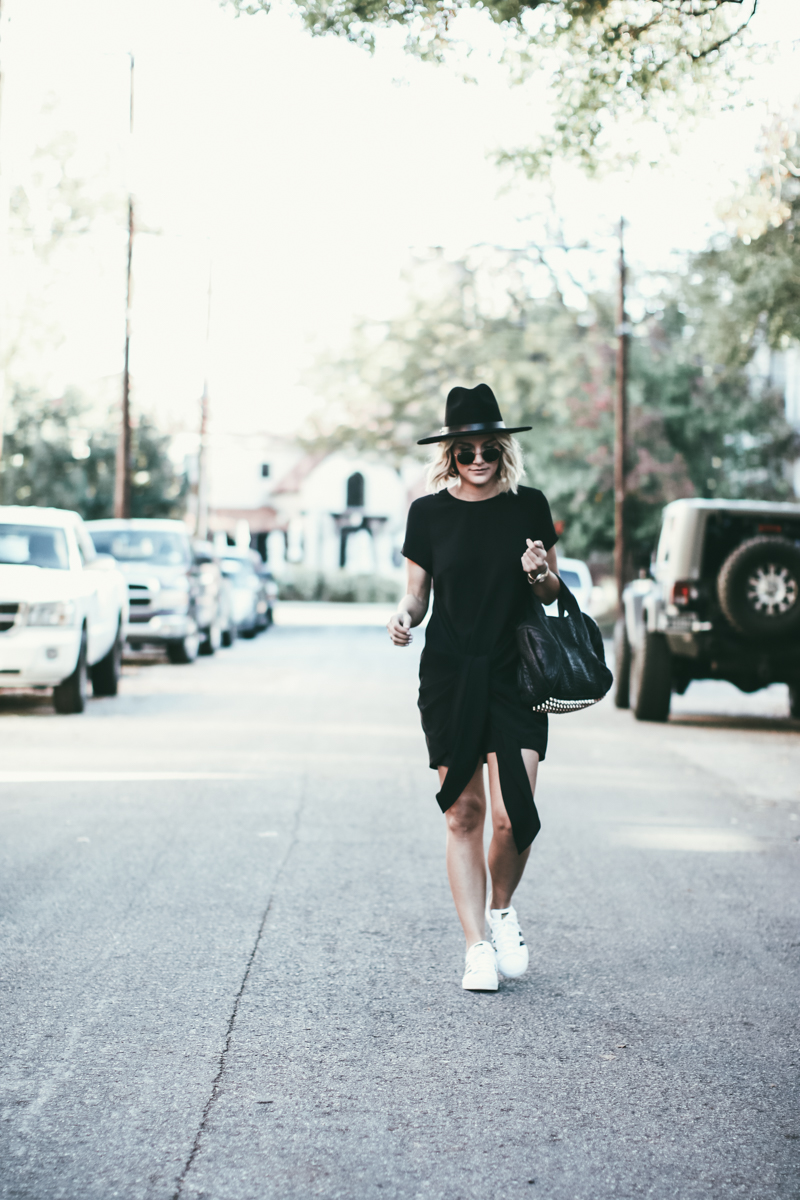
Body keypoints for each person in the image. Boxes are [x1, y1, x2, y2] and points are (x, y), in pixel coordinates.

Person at [387, 384, 561, 991]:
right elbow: (417, 595)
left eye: (489, 447)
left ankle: (502, 911)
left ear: (503, 448)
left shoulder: (529, 506)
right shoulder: (428, 514)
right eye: (466, 450)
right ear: (451, 454)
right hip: (451, 674)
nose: (479, 458)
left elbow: (551, 593)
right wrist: (404, 616)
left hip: (516, 673)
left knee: (515, 816)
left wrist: (540, 574)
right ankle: (475, 948)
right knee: (464, 813)